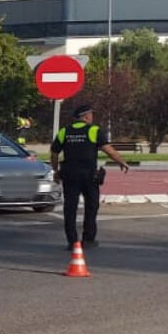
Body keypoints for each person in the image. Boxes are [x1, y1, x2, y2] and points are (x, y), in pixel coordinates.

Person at [50, 102, 131, 249]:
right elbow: (109, 151)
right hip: (88, 175)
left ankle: (72, 241)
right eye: (91, 114)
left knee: (70, 208)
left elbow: (54, 153)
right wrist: (121, 162)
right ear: (86, 117)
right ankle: (88, 240)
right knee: (91, 206)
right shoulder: (93, 130)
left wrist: (55, 171)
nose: (92, 117)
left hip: (70, 175)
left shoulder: (64, 131)